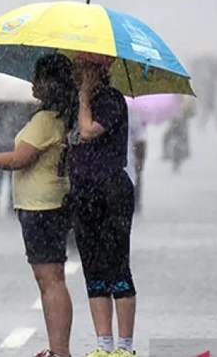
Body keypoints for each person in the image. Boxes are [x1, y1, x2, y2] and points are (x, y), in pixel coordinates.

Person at [0, 54, 76, 357]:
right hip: (48, 203)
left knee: (50, 280)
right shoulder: (59, 116)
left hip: (42, 206)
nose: (34, 84)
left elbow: (18, 160)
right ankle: (57, 349)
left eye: (38, 78)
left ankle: (60, 351)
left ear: (51, 84)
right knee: (51, 279)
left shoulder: (45, 121)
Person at [66, 52, 137, 357]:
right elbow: (74, 138)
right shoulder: (76, 102)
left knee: (117, 267)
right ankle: (103, 344)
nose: (75, 74)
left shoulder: (110, 100)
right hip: (84, 192)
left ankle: (125, 346)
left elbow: (88, 131)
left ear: (95, 72)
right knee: (93, 269)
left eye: (80, 69)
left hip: (111, 191)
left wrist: (83, 98)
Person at [125, 103, 147, 215]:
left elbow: (140, 140)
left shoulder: (132, 114)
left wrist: (140, 160)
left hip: (127, 166)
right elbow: (141, 140)